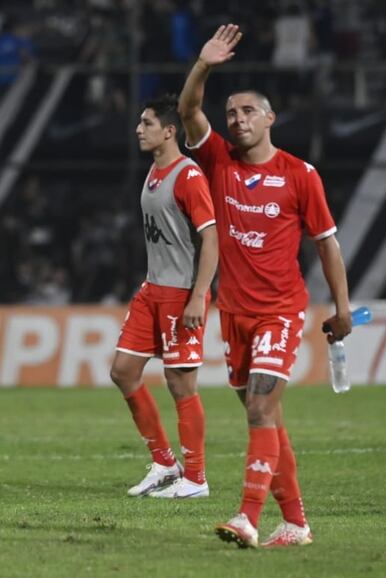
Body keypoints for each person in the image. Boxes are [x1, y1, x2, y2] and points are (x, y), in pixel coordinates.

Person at [178, 24, 352, 548]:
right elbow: (188, 112)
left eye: (248, 111)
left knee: (258, 409)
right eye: (231, 113)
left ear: (270, 118)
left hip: (280, 311)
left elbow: (327, 244)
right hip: (234, 313)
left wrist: (343, 308)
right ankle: (296, 524)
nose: (237, 120)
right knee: (268, 418)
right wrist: (204, 65)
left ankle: (247, 517)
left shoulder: (301, 175)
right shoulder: (217, 162)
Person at [110, 95, 218, 499]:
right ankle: (163, 462)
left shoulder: (188, 176)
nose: (139, 128)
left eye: (147, 122)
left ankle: (196, 478)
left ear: (169, 131)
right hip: (152, 287)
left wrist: (198, 297)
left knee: (180, 383)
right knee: (123, 371)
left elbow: (211, 238)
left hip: (180, 292)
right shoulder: (154, 171)